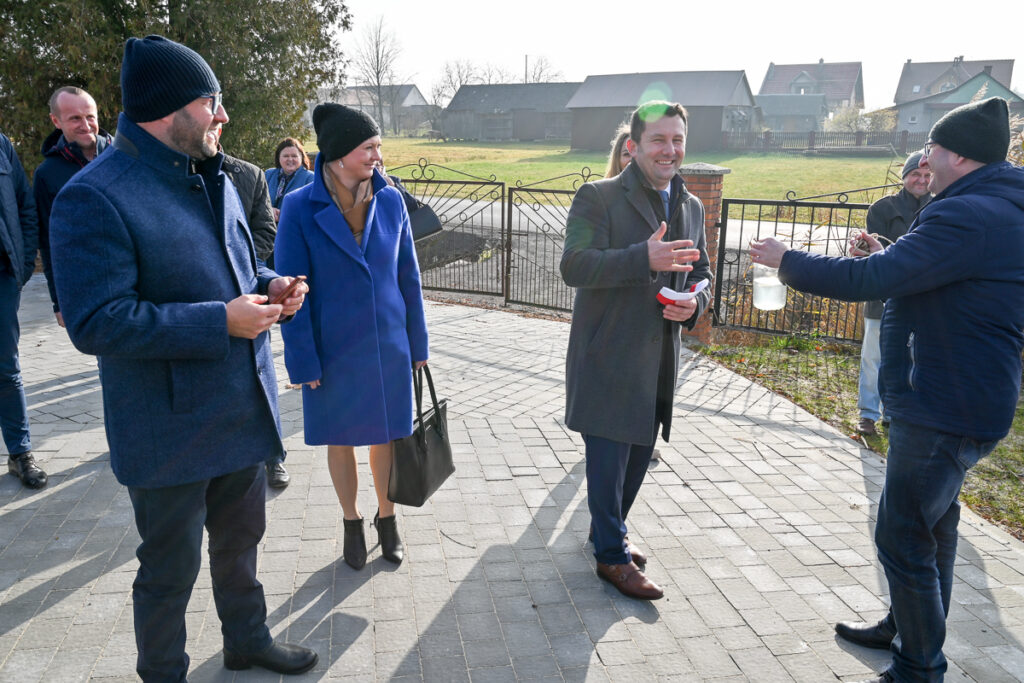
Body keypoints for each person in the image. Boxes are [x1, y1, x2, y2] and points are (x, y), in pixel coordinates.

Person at [48, 35, 315, 680]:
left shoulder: (214, 175)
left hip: (240, 411)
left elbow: (236, 268)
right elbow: (96, 321)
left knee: (241, 545)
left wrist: (271, 286)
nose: (223, 115)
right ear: (168, 112)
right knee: (170, 569)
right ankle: (163, 671)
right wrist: (221, 321)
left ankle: (247, 640)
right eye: (210, 102)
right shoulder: (94, 196)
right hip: (166, 427)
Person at [750, 97, 1024, 683]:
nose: (924, 157)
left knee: (902, 535)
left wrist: (787, 259)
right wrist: (889, 254)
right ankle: (907, 628)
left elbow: (871, 281)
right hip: (957, 396)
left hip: (944, 405)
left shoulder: (967, 213)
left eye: (931, 147)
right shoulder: (990, 205)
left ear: (958, 156)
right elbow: (929, 274)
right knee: (932, 528)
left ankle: (918, 666)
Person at [561, 100, 712, 600]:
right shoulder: (598, 197)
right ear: (634, 146)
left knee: (639, 456)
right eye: (658, 140)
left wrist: (694, 304)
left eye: (677, 140)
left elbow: (702, 272)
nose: (670, 150)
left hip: (660, 358)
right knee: (608, 459)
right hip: (608, 352)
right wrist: (641, 258)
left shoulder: (691, 206)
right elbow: (574, 266)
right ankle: (611, 556)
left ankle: (609, 531)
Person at [275, 103, 429, 570]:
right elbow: (290, 289)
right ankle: (351, 521)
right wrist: (302, 360)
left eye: (378, 146)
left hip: (387, 345)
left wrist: (418, 344)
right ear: (340, 153)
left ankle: (388, 518)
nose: (378, 156)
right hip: (332, 349)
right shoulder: (299, 207)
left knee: (388, 437)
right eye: (369, 147)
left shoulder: (391, 200)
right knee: (339, 439)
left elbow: (409, 277)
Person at [219, 132, 290, 488]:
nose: (218, 122)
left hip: (249, 292)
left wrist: (250, 271)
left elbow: (265, 230)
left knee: (262, 381)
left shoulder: (248, 174)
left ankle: (273, 457)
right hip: (210, 310)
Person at [853, 151, 931, 436]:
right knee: (873, 356)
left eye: (927, 175)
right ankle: (868, 414)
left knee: (910, 360)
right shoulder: (883, 208)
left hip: (921, 296)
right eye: (915, 174)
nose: (921, 180)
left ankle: (893, 413)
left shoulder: (941, 206)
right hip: (881, 293)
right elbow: (876, 251)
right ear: (905, 176)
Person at [34, 86, 112, 328]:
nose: (86, 125)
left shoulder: (124, 157)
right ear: (56, 121)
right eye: (75, 118)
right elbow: (49, 241)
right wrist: (59, 302)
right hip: (86, 288)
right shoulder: (47, 174)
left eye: (90, 117)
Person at [0, 131, 44, 490]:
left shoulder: (1, 144)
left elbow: (24, 204)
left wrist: (24, 261)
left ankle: (20, 453)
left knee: (5, 368)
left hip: (1, 276)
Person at [265, 137, 313, 222]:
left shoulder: (311, 178)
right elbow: (258, 202)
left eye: (294, 156)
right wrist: (269, 211)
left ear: (301, 157)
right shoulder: (268, 174)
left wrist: (282, 214)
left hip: (294, 226)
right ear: (278, 157)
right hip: (267, 225)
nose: (290, 159)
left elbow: (311, 209)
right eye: (285, 156)